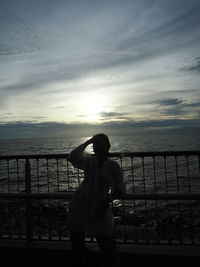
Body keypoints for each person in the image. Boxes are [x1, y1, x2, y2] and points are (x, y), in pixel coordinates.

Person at [67, 133, 124, 266]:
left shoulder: (113, 166)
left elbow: (120, 189)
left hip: (100, 205)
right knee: (77, 243)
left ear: (108, 146)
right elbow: (73, 157)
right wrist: (88, 142)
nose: (97, 146)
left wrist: (108, 200)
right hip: (80, 203)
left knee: (106, 244)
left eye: (100, 143)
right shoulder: (89, 162)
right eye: (95, 144)